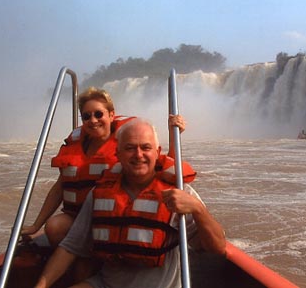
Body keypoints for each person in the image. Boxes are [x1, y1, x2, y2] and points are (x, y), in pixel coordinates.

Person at [34, 118, 226, 288]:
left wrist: (199, 209)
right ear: (117, 153)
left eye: (146, 147)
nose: (138, 154)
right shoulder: (100, 193)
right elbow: (71, 247)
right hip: (105, 284)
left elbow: (217, 247)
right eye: (130, 148)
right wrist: (41, 286)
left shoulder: (180, 194)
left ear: (157, 152)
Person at [21, 87, 188, 248]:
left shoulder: (127, 145)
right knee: (54, 227)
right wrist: (36, 225)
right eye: (87, 116)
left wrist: (174, 136)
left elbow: (163, 168)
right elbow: (60, 187)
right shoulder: (75, 143)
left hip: (112, 216)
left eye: (98, 114)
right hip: (78, 216)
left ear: (111, 115)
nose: (93, 120)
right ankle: (73, 263)